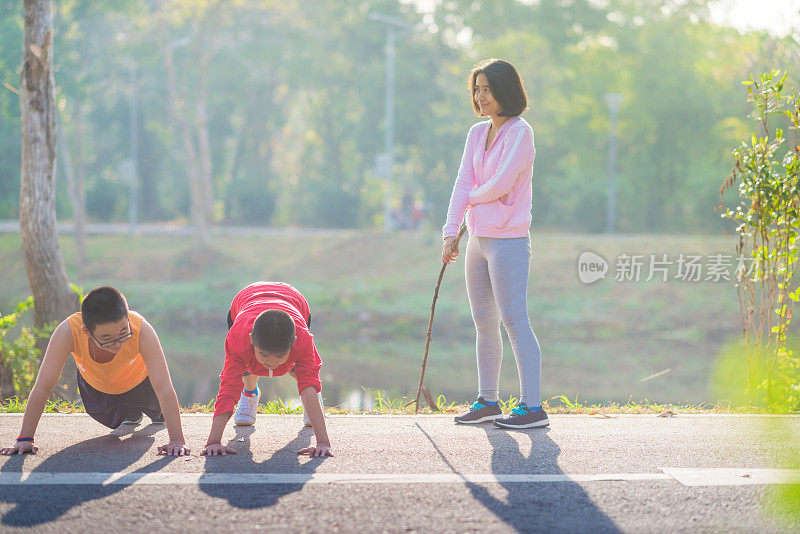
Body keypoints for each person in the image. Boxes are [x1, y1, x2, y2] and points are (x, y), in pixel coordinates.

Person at [442, 58, 548, 429]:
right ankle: (488, 400)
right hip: (477, 241)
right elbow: (461, 183)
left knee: (515, 321)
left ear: (506, 91)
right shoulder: (476, 133)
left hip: (508, 241)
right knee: (483, 323)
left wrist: (470, 199)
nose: (481, 96)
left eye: (488, 89)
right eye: (477, 89)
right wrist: (449, 232)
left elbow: (502, 183)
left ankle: (532, 407)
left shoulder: (521, 132)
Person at [0, 286, 190, 456]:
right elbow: (43, 386)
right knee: (119, 421)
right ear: (87, 332)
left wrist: (177, 440)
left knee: (160, 417)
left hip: (142, 384)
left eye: (123, 332)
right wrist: (25, 438)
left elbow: (164, 387)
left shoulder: (141, 329)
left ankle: (143, 408)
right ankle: (131, 413)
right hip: (99, 388)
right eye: (107, 337)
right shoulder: (68, 332)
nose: (117, 342)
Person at [202, 282, 332, 458]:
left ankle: (311, 405)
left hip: (295, 302)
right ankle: (249, 392)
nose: (271, 363)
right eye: (263, 355)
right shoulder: (238, 337)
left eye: (279, 357)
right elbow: (228, 387)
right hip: (246, 300)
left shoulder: (303, 339)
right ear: (251, 339)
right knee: (245, 364)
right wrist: (213, 442)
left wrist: (323, 442)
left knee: (298, 371)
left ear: (293, 342)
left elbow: (309, 381)